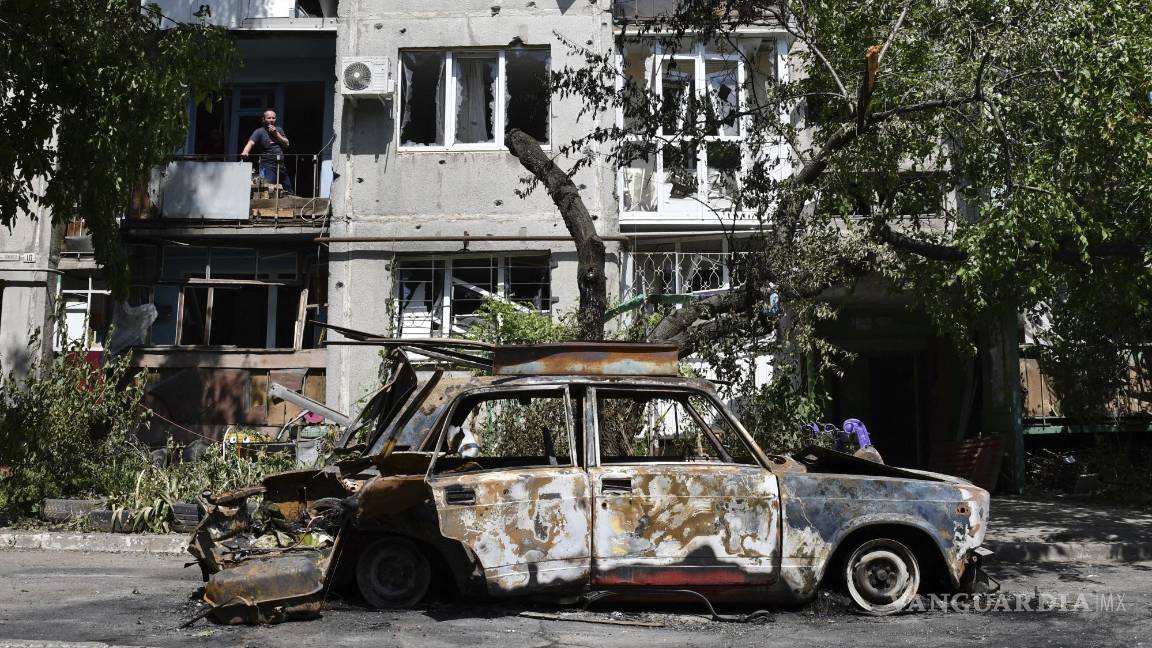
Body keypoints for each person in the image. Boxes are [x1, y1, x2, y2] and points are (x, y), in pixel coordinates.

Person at [240, 109, 294, 193]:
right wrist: (245, 151)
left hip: (281, 167)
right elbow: (251, 142)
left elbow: (286, 144)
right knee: (268, 190)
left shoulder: (279, 130)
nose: (271, 120)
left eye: (273, 118)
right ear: (263, 119)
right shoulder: (259, 132)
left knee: (289, 190)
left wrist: (276, 134)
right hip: (267, 166)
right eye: (269, 118)